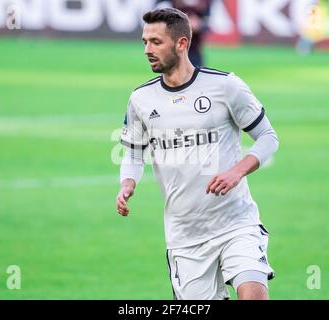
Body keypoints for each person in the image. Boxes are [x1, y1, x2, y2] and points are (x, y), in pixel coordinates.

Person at [116, 8, 279, 300]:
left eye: (156, 42)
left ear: (182, 43)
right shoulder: (140, 99)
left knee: (254, 295)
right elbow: (132, 154)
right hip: (185, 238)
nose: (147, 50)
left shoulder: (225, 86)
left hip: (236, 223)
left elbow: (268, 138)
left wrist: (236, 171)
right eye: (144, 42)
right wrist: (128, 182)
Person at [156, 0, 212, 67]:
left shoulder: (204, 3)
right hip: (175, 50)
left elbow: (208, 23)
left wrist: (199, 25)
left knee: (197, 73)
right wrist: (185, 24)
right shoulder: (169, 3)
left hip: (194, 50)